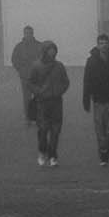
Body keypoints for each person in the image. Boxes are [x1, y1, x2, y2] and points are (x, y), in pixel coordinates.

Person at [82, 32, 109, 165]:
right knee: (100, 129)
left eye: (106, 43)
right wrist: (86, 99)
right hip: (98, 100)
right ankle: (103, 154)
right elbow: (87, 81)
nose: (104, 45)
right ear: (97, 45)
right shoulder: (91, 61)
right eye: (101, 43)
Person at [26, 40, 70, 168]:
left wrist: (59, 91)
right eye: (50, 50)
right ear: (44, 51)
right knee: (43, 129)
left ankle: (53, 156)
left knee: (56, 130)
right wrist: (39, 92)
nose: (52, 52)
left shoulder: (59, 66)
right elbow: (30, 82)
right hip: (42, 102)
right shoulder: (36, 66)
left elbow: (66, 82)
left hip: (56, 102)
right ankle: (42, 151)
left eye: (54, 50)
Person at [9, 26, 43, 126]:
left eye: (30, 33)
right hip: (25, 77)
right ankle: (28, 118)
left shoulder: (39, 46)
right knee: (26, 98)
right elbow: (14, 59)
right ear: (24, 34)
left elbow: (44, 58)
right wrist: (20, 70)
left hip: (37, 77)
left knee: (38, 98)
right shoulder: (19, 47)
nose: (28, 35)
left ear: (33, 33)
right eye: (26, 33)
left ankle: (38, 118)